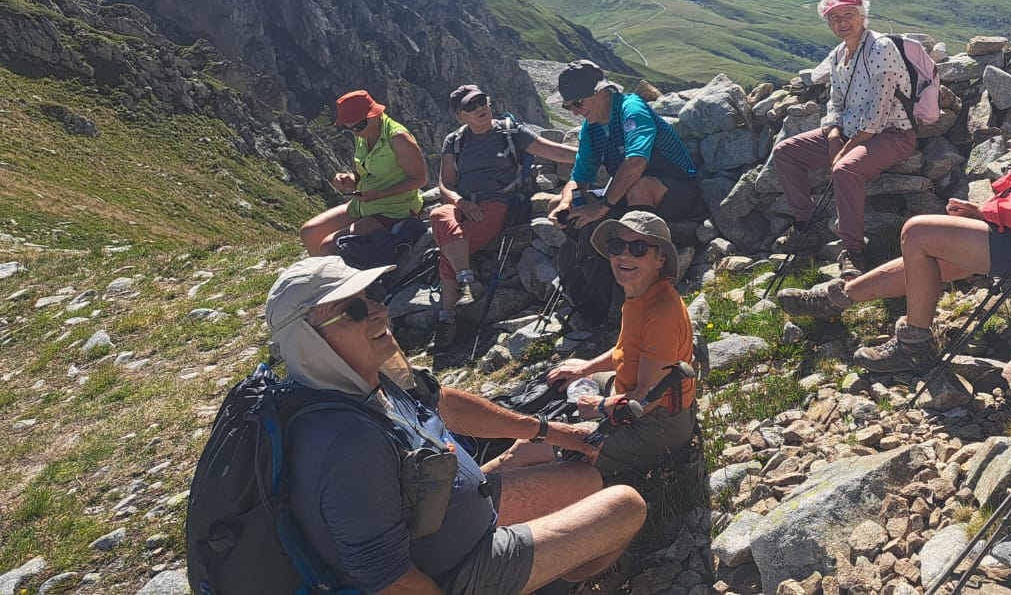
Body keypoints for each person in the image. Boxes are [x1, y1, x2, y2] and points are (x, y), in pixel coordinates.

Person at [266, 256, 644, 594]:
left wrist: (547, 430)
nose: (380, 310)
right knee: (625, 506)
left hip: (451, 517)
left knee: (584, 482)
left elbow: (446, 406)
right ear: (309, 341)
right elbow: (391, 582)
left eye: (373, 295)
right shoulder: (344, 442)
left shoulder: (365, 379)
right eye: (353, 309)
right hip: (459, 572)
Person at [778, 15, 1011, 374]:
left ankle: (913, 345)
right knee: (928, 252)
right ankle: (836, 300)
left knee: (918, 233)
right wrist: (992, 206)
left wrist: (988, 214)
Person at [485, 211, 697, 479]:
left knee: (530, 449)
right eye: (617, 246)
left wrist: (600, 406)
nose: (625, 255)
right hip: (632, 394)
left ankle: (468, 490)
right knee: (569, 369)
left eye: (639, 248)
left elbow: (647, 399)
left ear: (660, 259)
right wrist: (585, 368)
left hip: (654, 426)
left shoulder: (660, 314)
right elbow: (625, 351)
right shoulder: (641, 293)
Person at [772, 0, 918, 279]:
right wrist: (833, 135)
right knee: (785, 152)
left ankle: (853, 250)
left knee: (845, 170)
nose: (842, 22)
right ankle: (806, 225)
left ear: (863, 15)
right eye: (834, 17)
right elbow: (835, 102)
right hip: (851, 132)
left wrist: (845, 149)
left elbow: (878, 112)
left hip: (893, 134)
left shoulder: (881, 48)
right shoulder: (839, 55)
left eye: (848, 14)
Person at [432, 84, 579, 347]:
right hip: (463, 202)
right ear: (460, 116)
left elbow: (554, 151)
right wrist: (460, 202)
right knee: (440, 214)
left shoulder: (511, 133)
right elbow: (446, 184)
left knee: (449, 249)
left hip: (496, 203)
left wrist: (592, 157)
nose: (480, 108)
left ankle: (447, 318)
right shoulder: (454, 141)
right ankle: (466, 276)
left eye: (482, 101)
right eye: (471, 106)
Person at [552, 61, 700, 227]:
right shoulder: (591, 127)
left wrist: (602, 207)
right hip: (626, 192)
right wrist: (566, 202)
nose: (575, 111)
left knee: (640, 187)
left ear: (601, 91)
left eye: (578, 102)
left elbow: (636, 163)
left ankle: (639, 245)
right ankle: (591, 250)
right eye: (567, 106)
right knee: (557, 203)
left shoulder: (631, 109)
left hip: (678, 188)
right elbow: (579, 177)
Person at [300, 90, 427, 256]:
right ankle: (324, 277)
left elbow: (420, 179)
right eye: (348, 127)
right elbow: (358, 176)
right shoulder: (362, 136)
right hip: (364, 205)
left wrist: (380, 194)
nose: (355, 132)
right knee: (309, 232)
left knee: (329, 246)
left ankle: (342, 279)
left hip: (394, 209)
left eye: (359, 126)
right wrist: (348, 180)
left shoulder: (398, 138)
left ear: (375, 114)